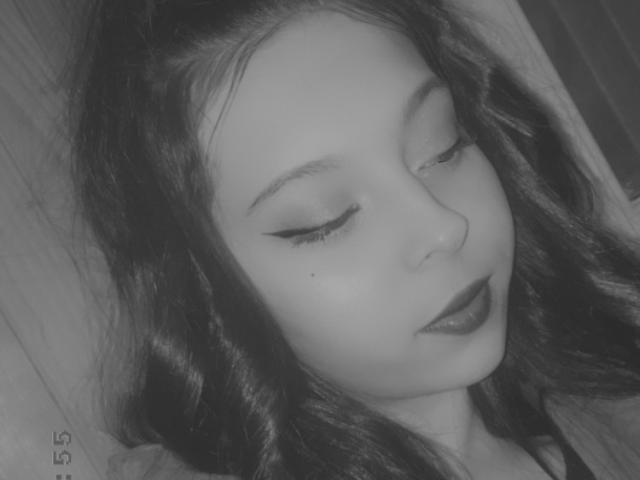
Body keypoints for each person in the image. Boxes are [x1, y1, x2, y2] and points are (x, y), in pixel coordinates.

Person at [70, 0, 640, 479]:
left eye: (442, 147)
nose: (443, 227)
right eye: (327, 220)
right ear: (202, 293)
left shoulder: (606, 412)